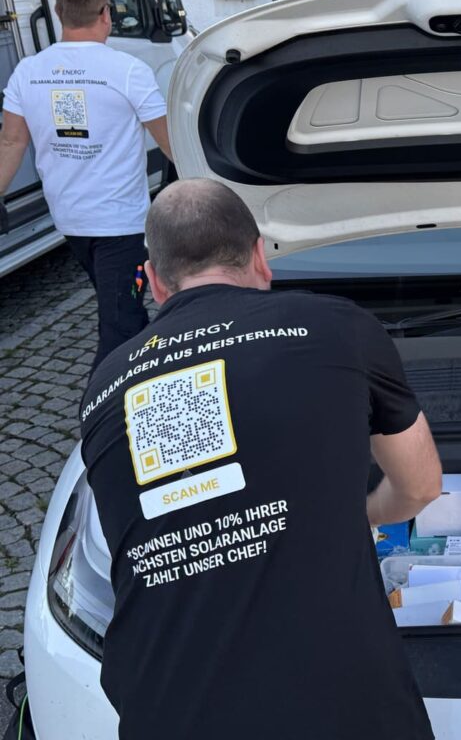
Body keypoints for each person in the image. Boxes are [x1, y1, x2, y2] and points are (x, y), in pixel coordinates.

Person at [79, 179, 442, 740]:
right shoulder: (335, 327)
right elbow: (420, 487)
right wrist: (361, 514)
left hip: (165, 709)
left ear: (154, 281)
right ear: (258, 256)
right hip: (339, 709)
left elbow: (156, 523)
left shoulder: (105, 387)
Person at [0, 0, 172, 371]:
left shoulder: (27, 71)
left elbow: (10, 143)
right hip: (121, 225)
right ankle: (104, 403)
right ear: (106, 14)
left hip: (70, 220)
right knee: (121, 327)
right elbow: (171, 144)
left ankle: (145, 373)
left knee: (123, 309)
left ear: (59, 12)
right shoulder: (128, 70)